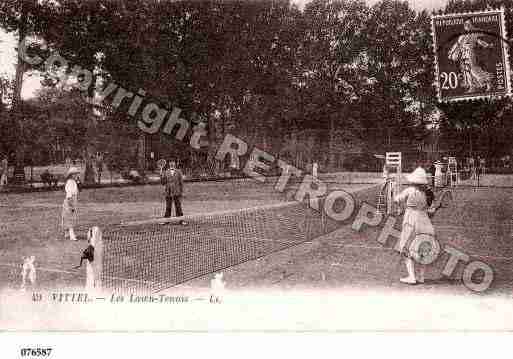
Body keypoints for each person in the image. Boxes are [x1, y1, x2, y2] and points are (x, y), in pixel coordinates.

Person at [393, 167, 436, 284]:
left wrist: (399, 204)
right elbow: (431, 213)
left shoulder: (409, 190)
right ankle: (421, 277)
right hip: (424, 221)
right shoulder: (428, 194)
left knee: (406, 248)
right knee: (423, 248)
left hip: (411, 220)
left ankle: (412, 277)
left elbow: (396, 200)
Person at [448, 19, 493, 93]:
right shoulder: (462, 35)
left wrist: (487, 45)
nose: (467, 26)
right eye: (465, 24)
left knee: (473, 69)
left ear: (472, 25)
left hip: (470, 53)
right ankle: (472, 87)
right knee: (466, 71)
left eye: (468, 24)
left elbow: (480, 42)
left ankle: (488, 82)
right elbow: (457, 44)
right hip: (463, 54)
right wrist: (452, 52)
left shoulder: (474, 34)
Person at [161, 160, 186, 225]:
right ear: (169, 163)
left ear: (175, 163)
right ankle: (166, 221)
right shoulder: (166, 172)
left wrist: (182, 192)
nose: (172, 163)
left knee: (178, 206)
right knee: (168, 207)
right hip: (168, 192)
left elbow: (181, 183)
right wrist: (161, 175)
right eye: (170, 162)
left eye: (173, 162)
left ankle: (181, 220)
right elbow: (163, 183)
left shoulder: (179, 172)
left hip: (176, 192)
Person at [61, 167, 81, 241]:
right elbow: (69, 195)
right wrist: (71, 205)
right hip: (70, 201)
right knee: (70, 218)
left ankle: (67, 233)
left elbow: (79, 190)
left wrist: (78, 182)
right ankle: (72, 235)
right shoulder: (70, 182)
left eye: (77, 174)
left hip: (73, 200)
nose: (76, 175)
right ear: (72, 175)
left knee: (68, 217)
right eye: (75, 174)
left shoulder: (74, 182)